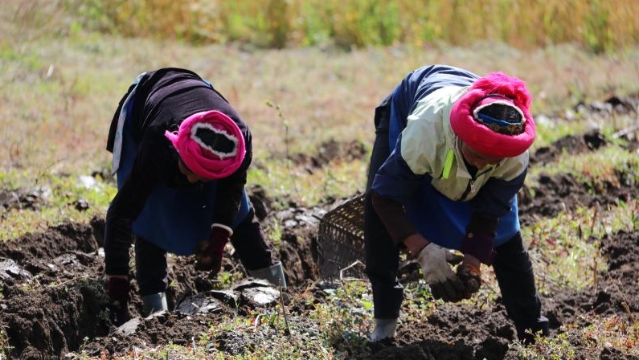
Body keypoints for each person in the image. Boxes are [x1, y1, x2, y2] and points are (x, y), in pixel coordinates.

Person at [364, 64, 549, 343]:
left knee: (508, 238)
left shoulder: (515, 154)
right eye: (476, 155)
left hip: (461, 120)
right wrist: (422, 250)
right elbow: (384, 197)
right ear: (462, 136)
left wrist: (473, 263)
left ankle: (533, 330)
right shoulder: (426, 131)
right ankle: (384, 323)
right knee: (377, 212)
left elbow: (490, 213)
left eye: (492, 161)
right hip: (409, 107)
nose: (482, 163)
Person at [104, 67, 286, 324]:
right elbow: (122, 213)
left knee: (242, 216)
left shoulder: (237, 143)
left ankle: (278, 295)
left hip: (197, 100)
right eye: (189, 171)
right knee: (151, 219)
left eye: (201, 177)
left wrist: (219, 238)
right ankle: (155, 311)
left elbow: (231, 194)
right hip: (147, 108)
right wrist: (118, 286)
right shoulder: (158, 144)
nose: (192, 181)